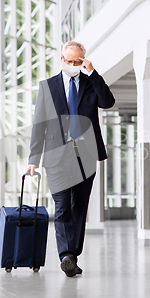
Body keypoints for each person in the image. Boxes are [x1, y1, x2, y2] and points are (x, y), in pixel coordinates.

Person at [26, 41, 115, 277]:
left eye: (78, 62)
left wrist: (93, 73)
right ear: (61, 59)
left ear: (83, 60)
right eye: (69, 61)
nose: (73, 65)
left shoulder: (89, 83)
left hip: (85, 156)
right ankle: (65, 255)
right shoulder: (48, 87)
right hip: (57, 157)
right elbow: (39, 124)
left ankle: (72, 255)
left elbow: (108, 102)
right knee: (63, 206)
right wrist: (33, 158)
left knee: (79, 208)